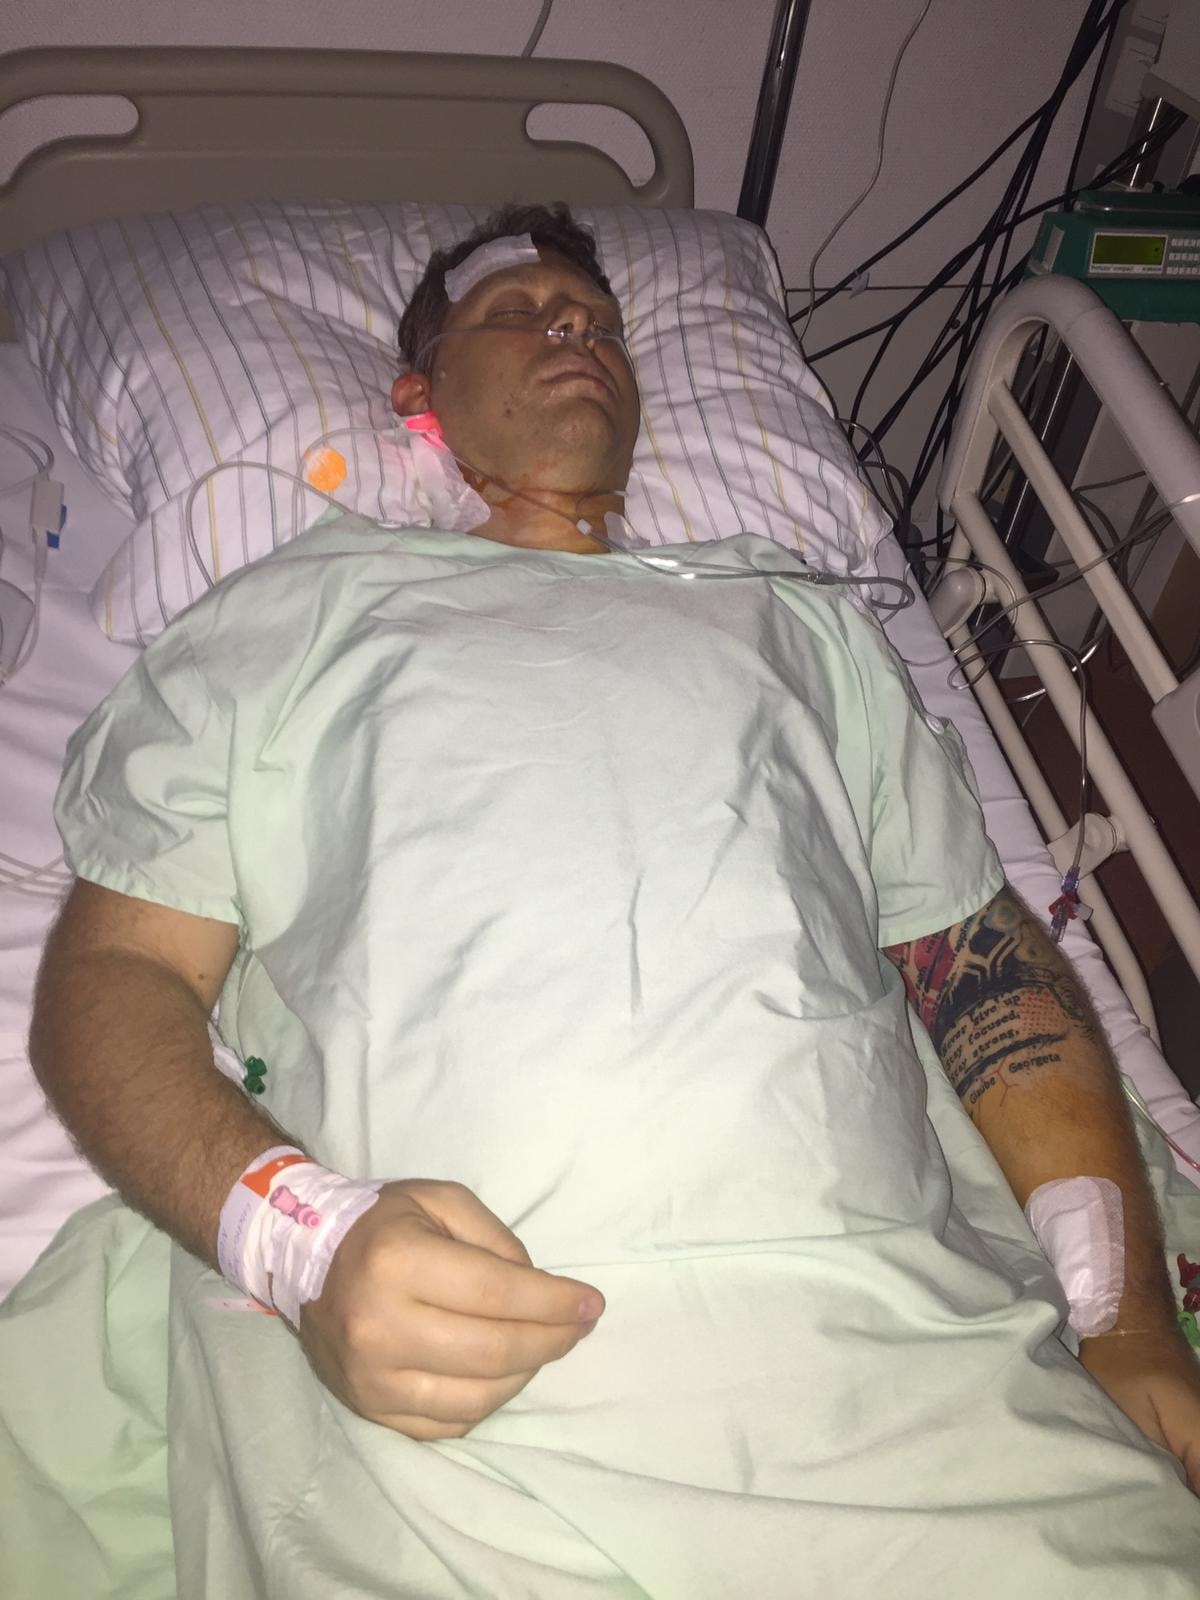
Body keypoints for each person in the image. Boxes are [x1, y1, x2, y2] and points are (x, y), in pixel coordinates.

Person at [3, 201, 1200, 1598]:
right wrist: (299, 1241)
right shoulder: (292, 613)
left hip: (935, 1395)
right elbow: (117, 979)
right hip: (452, 1439)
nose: (574, 336)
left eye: (600, 325)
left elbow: (979, 963)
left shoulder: (799, 621)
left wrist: (1123, 1323)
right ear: (420, 395)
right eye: (518, 315)